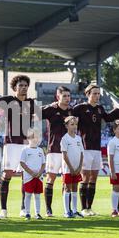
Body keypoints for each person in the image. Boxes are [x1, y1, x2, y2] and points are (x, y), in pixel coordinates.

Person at [0, 75, 38, 218]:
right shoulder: (8, 100)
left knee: (26, 176)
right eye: (21, 85)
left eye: (26, 85)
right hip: (11, 143)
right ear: (15, 88)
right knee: (7, 175)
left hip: (26, 144)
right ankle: (4, 209)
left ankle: (24, 208)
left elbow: (43, 113)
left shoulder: (31, 103)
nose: (24, 88)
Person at [72, 84, 111, 216]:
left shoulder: (100, 108)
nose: (97, 96)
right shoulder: (80, 108)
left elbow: (109, 118)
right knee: (85, 177)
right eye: (94, 93)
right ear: (88, 94)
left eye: (98, 94)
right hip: (85, 148)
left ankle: (89, 207)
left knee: (94, 178)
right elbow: (67, 113)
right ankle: (83, 208)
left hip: (96, 148)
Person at [42, 86, 73, 217]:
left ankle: (67, 209)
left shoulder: (72, 112)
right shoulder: (51, 109)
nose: (67, 98)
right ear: (58, 96)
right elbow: (35, 114)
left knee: (68, 181)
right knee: (51, 178)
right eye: (64, 96)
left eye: (68, 96)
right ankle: (48, 209)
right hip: (54, 149)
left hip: (69, 150)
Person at [19, 128, 46, 220]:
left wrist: (39, 173)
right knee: (28, 195)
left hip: (39, 177)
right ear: (29, 138)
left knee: (37, 195)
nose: (36, 139)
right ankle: (27, 213)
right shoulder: (25, 150)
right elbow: (22, 163)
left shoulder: (40, 150)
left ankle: (37, 213)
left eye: (37, 137)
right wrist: (31, 172)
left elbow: (43, 163)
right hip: (28, 177)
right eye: (34, 137)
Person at [61, 116, 84, 218]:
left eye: (75, 124)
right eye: (72, 124)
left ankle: (75, 210)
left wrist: (79, 167)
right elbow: (64, 155)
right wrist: (70, 167)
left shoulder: (79, 138)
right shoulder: (64, 139)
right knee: (67, 188)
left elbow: (82, 153)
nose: (74, 126)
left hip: (77, 168)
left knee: (75, 188)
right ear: (66, 126)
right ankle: (66, 211)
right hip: (68, 169)